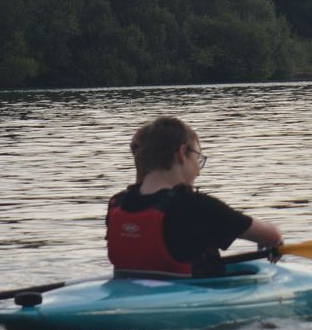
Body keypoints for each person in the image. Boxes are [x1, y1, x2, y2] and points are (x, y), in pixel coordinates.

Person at [107, 117, 283, 278]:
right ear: (182, 153)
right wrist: (272, 242)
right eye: (198, 158)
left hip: (129, 296)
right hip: (187, 304)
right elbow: (272, 235)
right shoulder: (197, 207)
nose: (198, 171)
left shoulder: (117, 204)